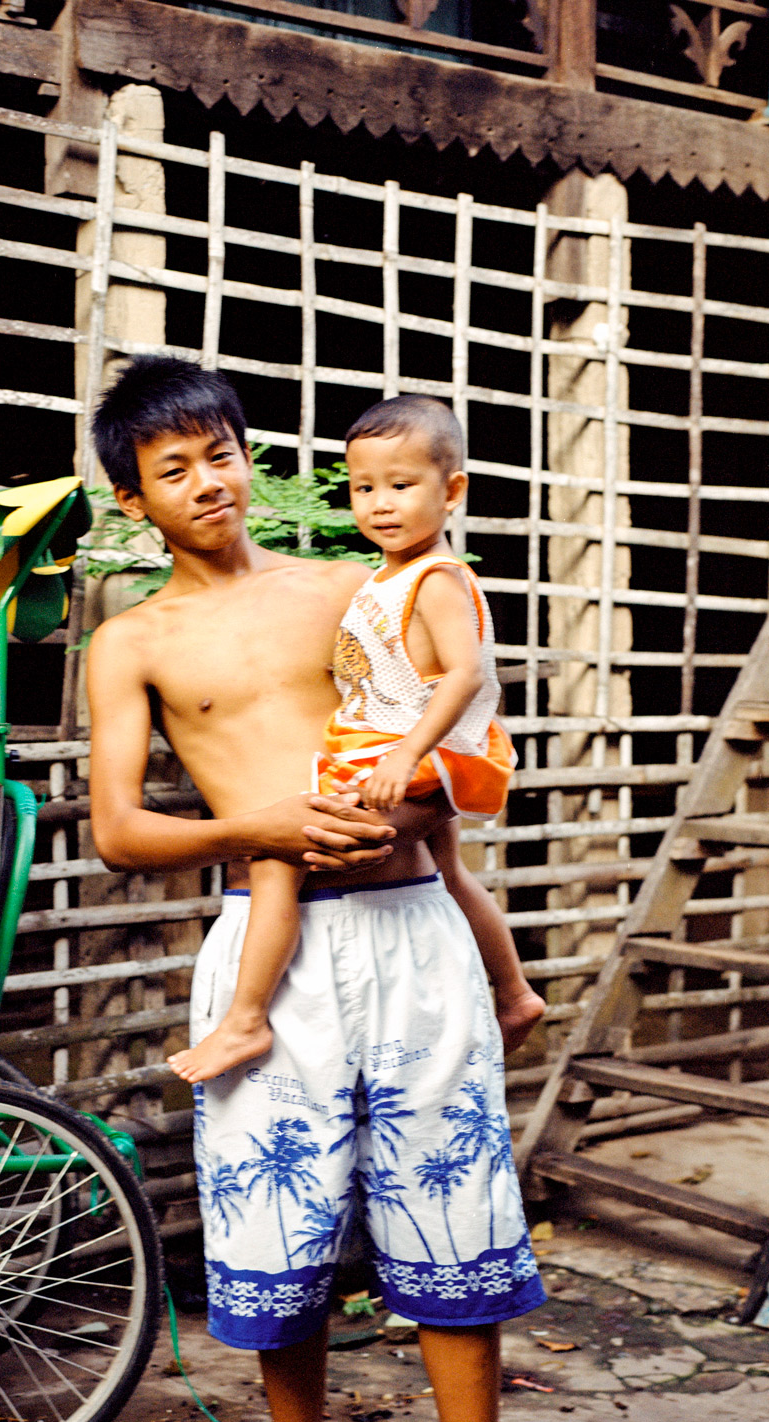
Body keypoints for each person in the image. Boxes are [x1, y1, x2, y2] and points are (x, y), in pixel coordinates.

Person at [86, 356, 566, 1422]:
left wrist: (407, 797)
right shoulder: (131, 640)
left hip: (410, 930)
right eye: (172, 468)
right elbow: (121, 830)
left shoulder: (356, 583)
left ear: (250, 455)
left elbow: (462, 727)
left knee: (453, 1220)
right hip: (266, 942)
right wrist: (258, 821)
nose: (207, 482)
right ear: (133, 499)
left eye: (221, 451)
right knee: (276, 1237)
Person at [169, 393, 543, 1085]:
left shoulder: (434, 579)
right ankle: (514, 993)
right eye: (363, 488)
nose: (378, 504)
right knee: (451, 871)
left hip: (420, 756)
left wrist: (407, 754)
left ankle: (246, 1019)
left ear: (451, 489)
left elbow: (463, 675)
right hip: (396, 751)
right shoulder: (386, 576)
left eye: (400, 486)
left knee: (287, 852)